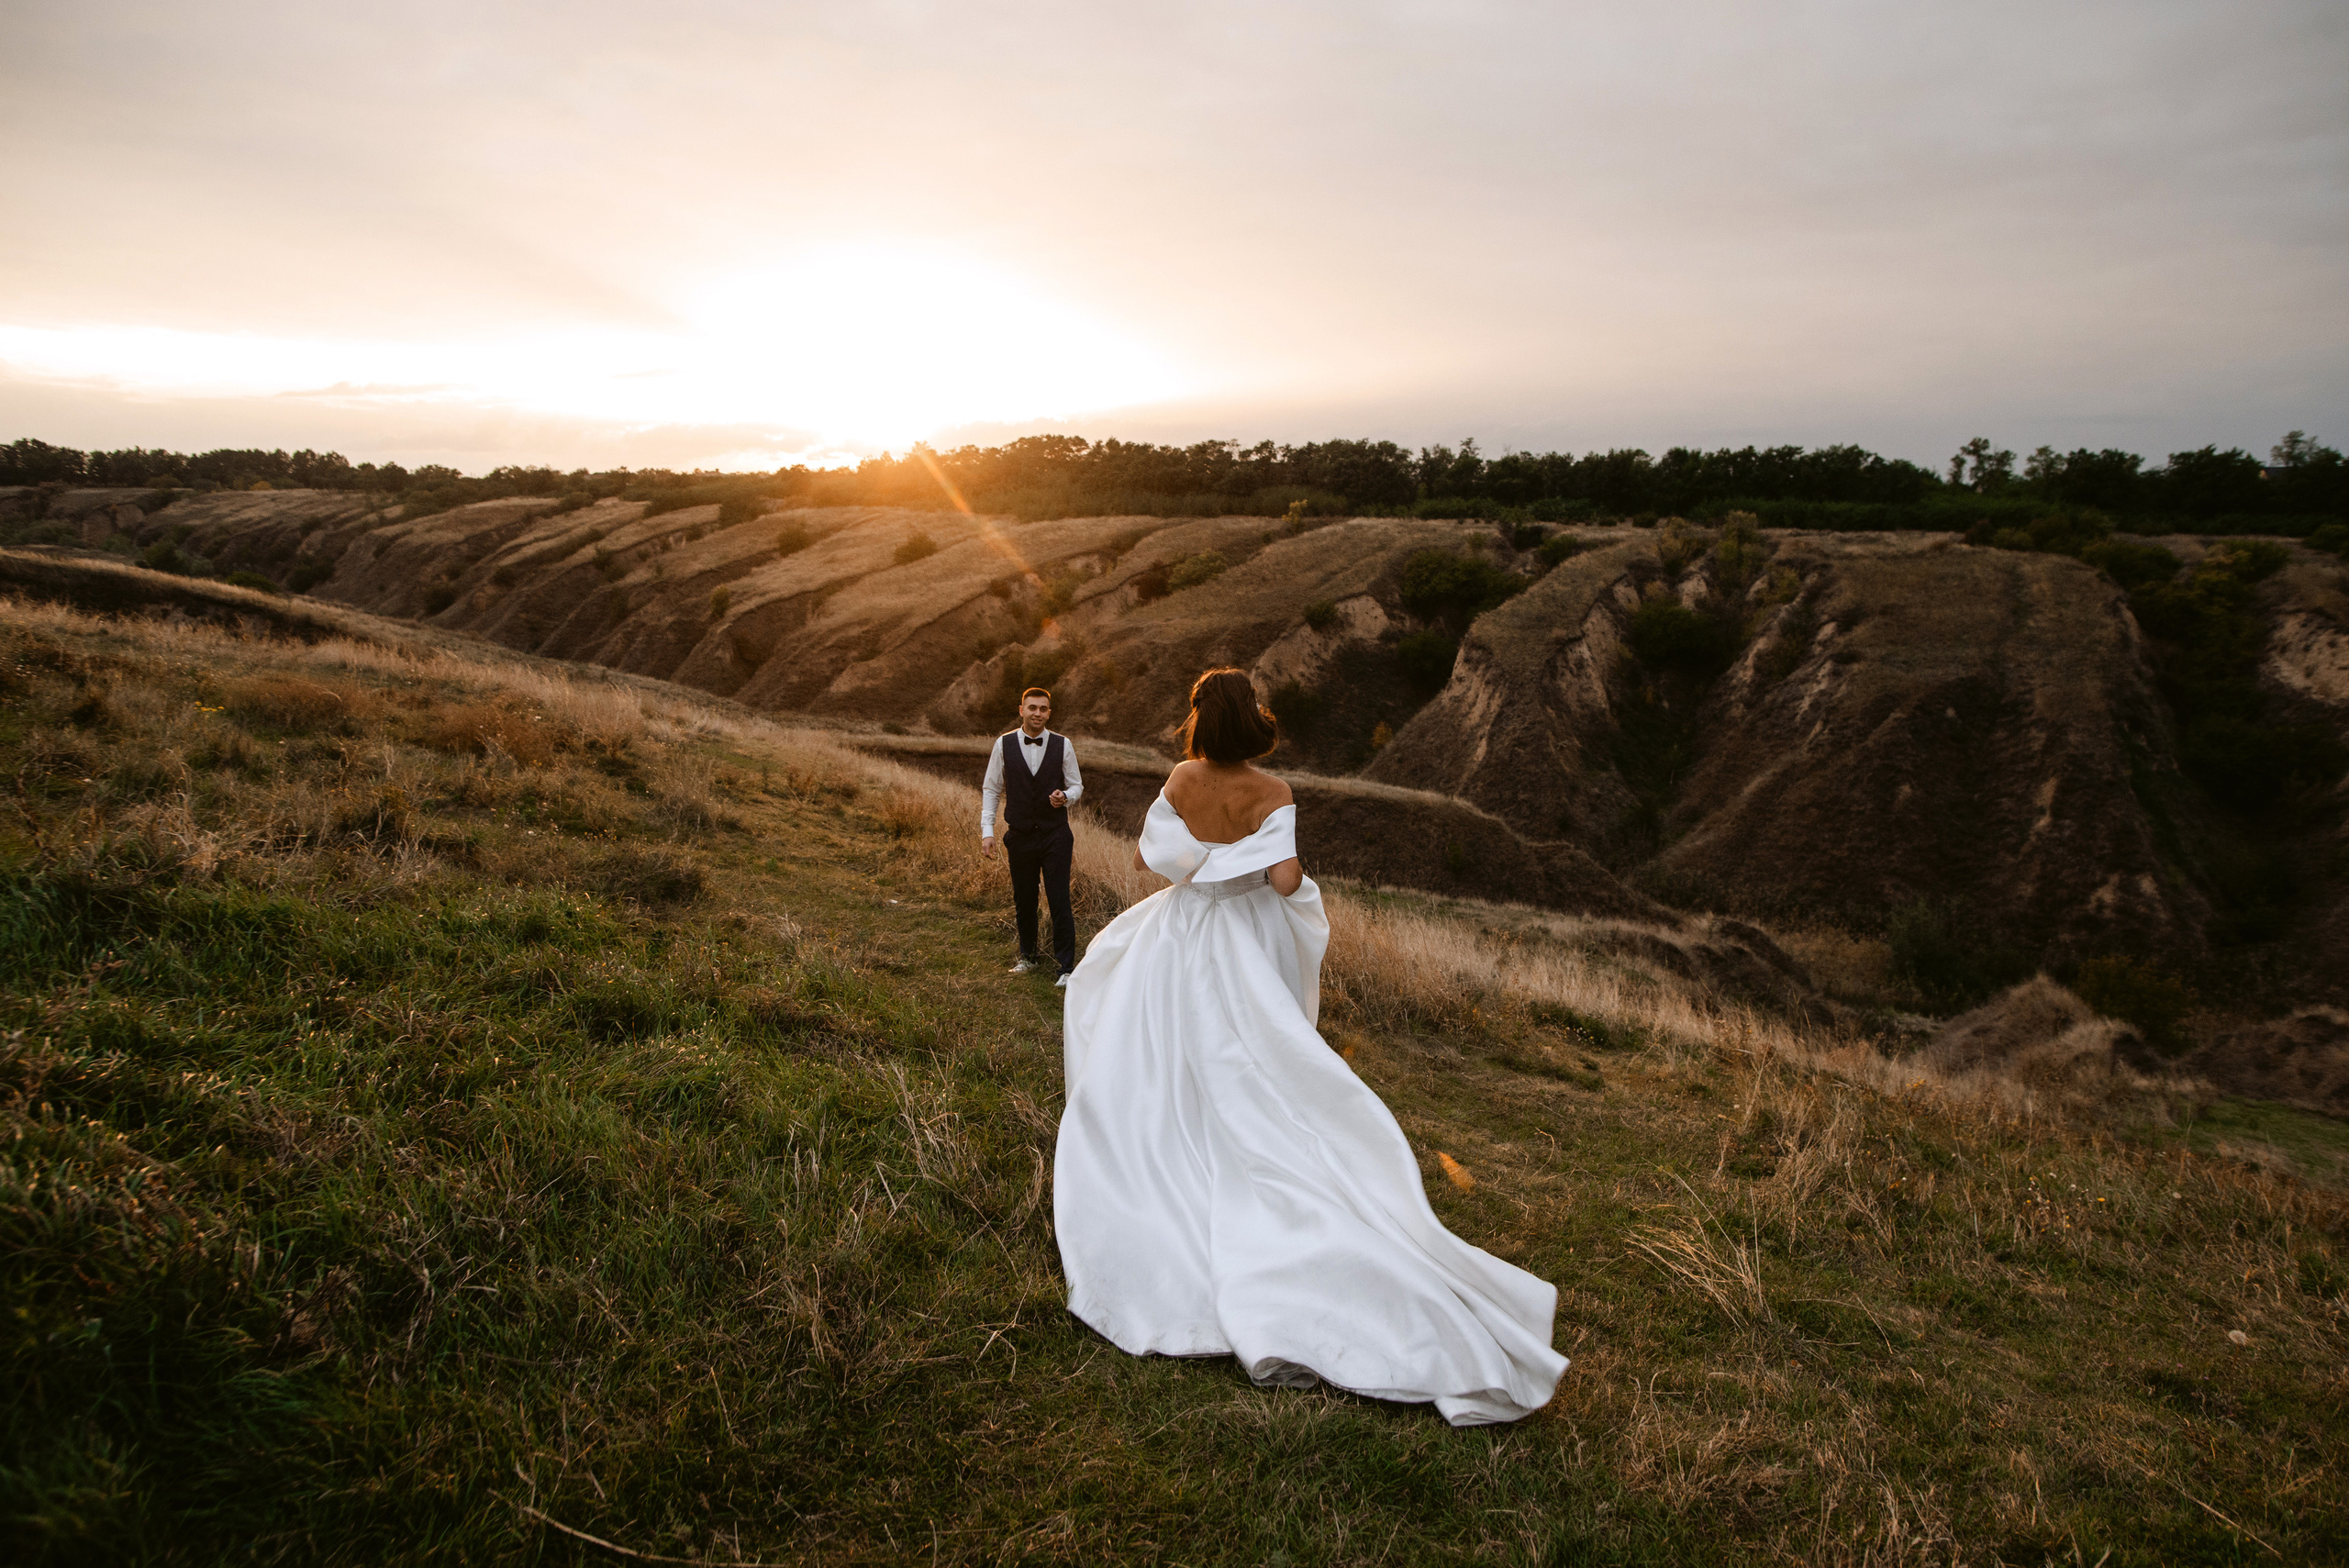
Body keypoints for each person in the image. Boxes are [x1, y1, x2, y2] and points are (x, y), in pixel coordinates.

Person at [1054, 668, 1566, 1426]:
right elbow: (1286, 877)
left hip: (1182, 930)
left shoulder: (1182, 778)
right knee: (1254, 1059)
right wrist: (1265, 870)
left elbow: (1145, 860)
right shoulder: (1274, 790)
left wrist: (1200, 858)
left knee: (1168, 1049)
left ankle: (1174, 1152)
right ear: (1251, 717)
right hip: (1242, 937)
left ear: (1200, 720)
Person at [980, 686, 1085, 984]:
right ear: (1021, 710)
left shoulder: (1063, 744)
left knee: (1059, 899)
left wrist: (1066, 796)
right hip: (1020, 835)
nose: (1037, 713)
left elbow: (1077, 785)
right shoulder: (1003, 744)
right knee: (1024, 899)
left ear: (1049, 713)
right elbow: (991, 788)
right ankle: (1028, 956)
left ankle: (1066, 968)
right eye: (1032, 708)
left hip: (1056, 835)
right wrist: (987, 831)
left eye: (1043, 709)